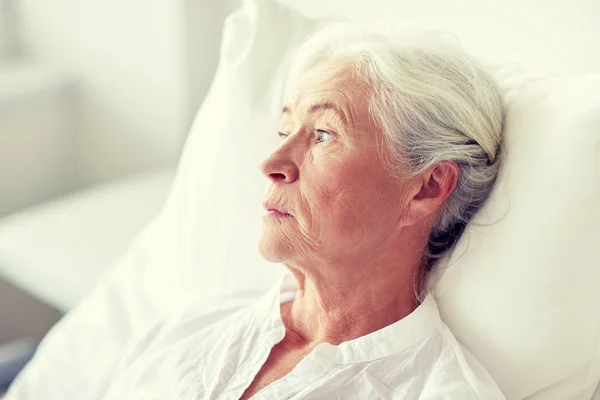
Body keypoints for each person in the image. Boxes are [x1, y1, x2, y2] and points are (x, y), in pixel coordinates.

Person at [87, 25, 506, 399]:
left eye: (323, 134)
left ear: (426, 187)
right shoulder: (190, 329)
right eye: (285, 131)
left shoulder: (441, 391)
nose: (271, 163)